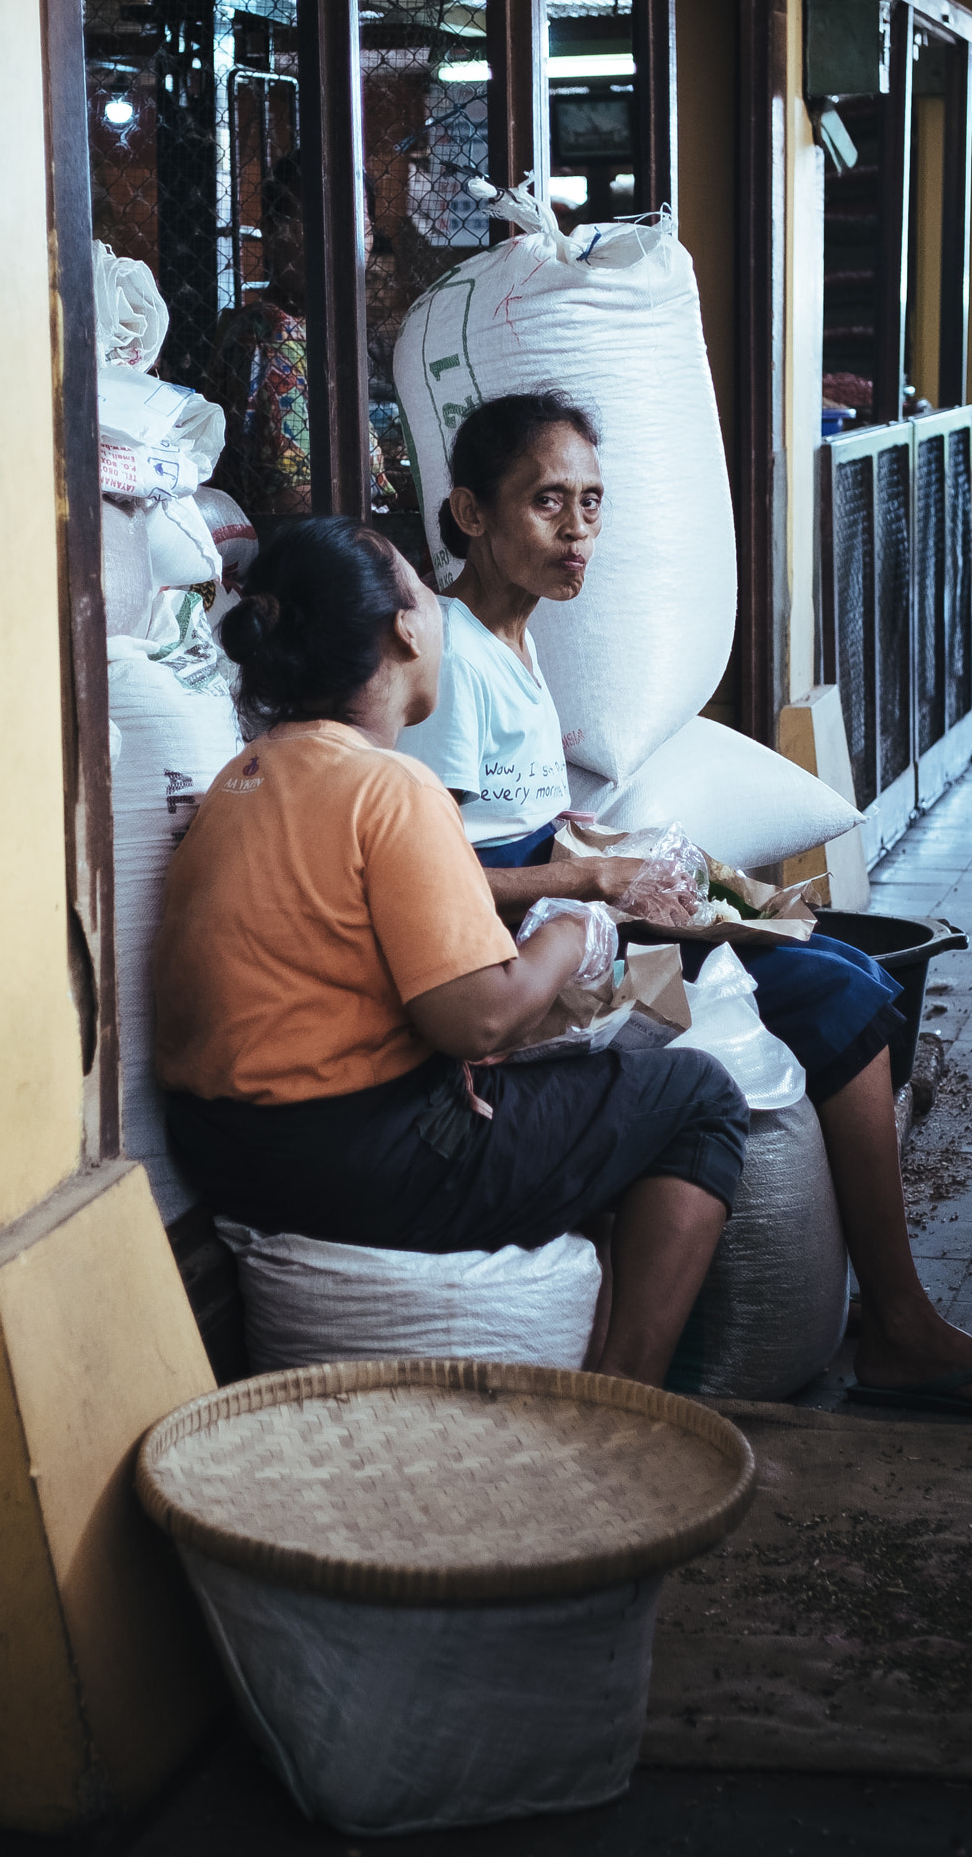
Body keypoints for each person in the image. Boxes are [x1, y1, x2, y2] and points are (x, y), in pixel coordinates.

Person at [398, 390, 972, 1417]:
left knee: (850, 964)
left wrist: (664, 872)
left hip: (579, 925)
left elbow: (526, 828)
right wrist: (591, 878)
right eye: (545, 503)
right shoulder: (450, 654)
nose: (577, 531)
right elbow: (432, 877)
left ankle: (888, 1305)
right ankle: (896, 1319)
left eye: (590, 502)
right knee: (834, 998)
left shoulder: (520, 644)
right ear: (471, 513)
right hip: (542, 973)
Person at [151, 517, 749, 1388]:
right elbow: (476, 1019)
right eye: (429, 599)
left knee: (577, 1095)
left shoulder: (244, 777)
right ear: (405, 629)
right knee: (697, 1097)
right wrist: (568, 932)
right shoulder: (390, 786)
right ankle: (628, 1402)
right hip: (355, 1164)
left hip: (221, 1154)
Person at [202, 153, 395, 515]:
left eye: (360, 224)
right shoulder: (275, 332)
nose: (342, 242)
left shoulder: (328, 332)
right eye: (318, 224)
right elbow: (293, 503)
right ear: (274, 232)